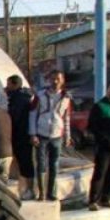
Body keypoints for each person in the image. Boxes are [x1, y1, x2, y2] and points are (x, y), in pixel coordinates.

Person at [30, 70, 72, 201]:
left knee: (54, 164)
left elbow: (66, 118)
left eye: (58, 79)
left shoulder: (66, 97)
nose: (55, 81)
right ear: (49, 80)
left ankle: (51, 192)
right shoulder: (40, 95)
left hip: (56, 135)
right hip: (41, 134)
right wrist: (32, 134)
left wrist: (67, 136)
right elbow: (32, 114)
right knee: (41, 164)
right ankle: (41, 193)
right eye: (53, 79)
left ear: (62, 80)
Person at [87, 81, 110, 211]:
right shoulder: (99, 106)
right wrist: (105, 141)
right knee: (100, 173)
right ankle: (93, 200)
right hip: (104, 147)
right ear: (107, 90)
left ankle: (105, 198)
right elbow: (92, 127)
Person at [6, 75, 36, 200]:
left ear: (14, 84)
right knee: (23, 162)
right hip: (21, 135)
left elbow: (15, 118)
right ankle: (25, 188)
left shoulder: (19, 99)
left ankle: (28, 189)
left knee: (25, 163)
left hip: (21, 135)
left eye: (8, 84)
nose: (7, 87)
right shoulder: (20, 97)